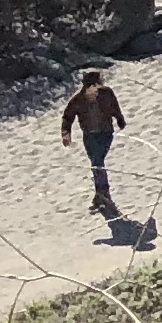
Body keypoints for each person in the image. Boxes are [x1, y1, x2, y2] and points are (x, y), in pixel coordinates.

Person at [57, 69, 123, 220]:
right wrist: (66, 134)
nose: (97, 89)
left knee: (98, 162)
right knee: (95, 164)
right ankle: (99, 195)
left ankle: (104, 193)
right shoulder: (78, 100)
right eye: (94, 86)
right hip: (89, 136)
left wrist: (120, 119)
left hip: (105, 134)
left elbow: (114, 107)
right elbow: (68, 117)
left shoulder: (107, 93)